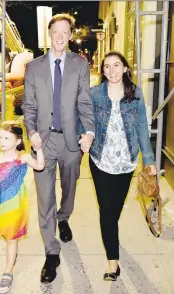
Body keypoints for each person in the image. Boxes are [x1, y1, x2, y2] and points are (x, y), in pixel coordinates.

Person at [22, 13, 95, 284]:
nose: (61, 36)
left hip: (70, 142)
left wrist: (88, 132)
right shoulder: (34, 67)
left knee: (70, 187)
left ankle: (64, 217)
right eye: (56, 32)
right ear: (49, 34)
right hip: (43, 142)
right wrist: (30, 132)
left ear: (70, 35)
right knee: (44, 198)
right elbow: (28, 106)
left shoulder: (80, 65)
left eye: (66, 32)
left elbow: (85, 103)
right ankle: (51, 252)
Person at [88, 51, 157, 281]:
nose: (112, 70)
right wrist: (84, 136)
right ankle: (113, 263)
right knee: (106, 211)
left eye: (117, 65)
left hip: (126, 162)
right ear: (103, 71)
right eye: (107, 67)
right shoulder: (95, 94)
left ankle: (111, 233)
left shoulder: (135, 94)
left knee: (114, 210)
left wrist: (148, 160)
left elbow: (140, 128)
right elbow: (84, 121)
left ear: (126, 68)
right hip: (100, 160)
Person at [0, 122, 45, 293]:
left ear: (17, 141)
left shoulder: (21, 157)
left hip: (15, 204)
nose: (2, 141)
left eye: (7, 138)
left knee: (11, 237)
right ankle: (10, 261)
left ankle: (8, 271)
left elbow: (40, 166)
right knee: (6, 233)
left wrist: (39, 150)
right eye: (0, 137)